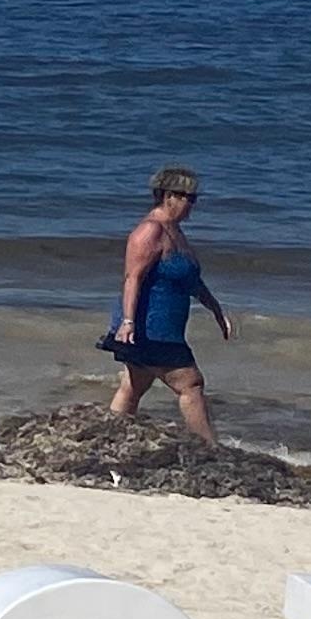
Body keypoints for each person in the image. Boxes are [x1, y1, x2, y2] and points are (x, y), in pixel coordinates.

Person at [102, 162, 230, 445]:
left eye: (194, 198)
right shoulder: (150, 231)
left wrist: (215, 309)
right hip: (149, 327)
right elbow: (132, 278)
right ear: (168, 196)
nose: (192, 204)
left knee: (135, 384)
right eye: (187, 197)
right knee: (190, 384)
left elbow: (190, 280)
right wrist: (128, 322)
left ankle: (110, 439)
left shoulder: (175, 231)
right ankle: (209, 448)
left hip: (165, 327)